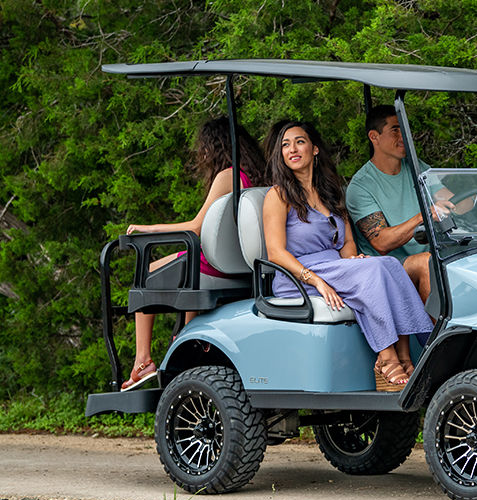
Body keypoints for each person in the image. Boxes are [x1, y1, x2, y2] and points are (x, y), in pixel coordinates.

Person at [262, 121, 432, 391]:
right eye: (285, 145)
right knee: (375, 270)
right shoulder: (279, 195)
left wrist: (352, 261)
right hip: (298, 275)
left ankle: (405, 355)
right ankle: (386, 360)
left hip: (335, 268)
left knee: (388, 264)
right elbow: (276, 253)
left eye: (299, 142)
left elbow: (348, 242)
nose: (292, 149)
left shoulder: (329, 193)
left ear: (315, 149)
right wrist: (316, 280)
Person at [122, 118, 268, 391]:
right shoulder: (257, 175)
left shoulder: (227, 175)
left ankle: (142, 360)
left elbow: (196, 227)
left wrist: (149, 229)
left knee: (146, 274)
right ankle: (185, 336)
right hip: (242, 264)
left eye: (204, 147)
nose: (201, 154)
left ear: (215, 146)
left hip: (214, 263)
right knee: (182, 264)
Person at [346, 105, 477, 302]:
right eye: (395, 130)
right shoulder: (361, 186)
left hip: (430, 257)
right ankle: (437, 333)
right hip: (386, 266)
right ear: (374, 137)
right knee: (426, 263)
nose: (403, 136)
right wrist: (424, 215)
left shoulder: (417, 168)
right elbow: (382, 242)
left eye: (404, 129)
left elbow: (456, 205)